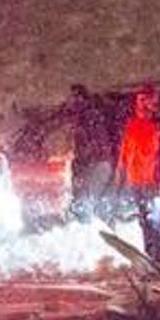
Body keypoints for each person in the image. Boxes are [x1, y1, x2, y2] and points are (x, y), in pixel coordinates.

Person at [115, 83, 160, 271]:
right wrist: (120, 176)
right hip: (136, 181)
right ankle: (151, 258)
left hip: (153, 183)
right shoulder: (132, 125)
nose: (142, 105)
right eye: (140, 100)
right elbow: (124, 154)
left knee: (157, 221)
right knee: (145, 221)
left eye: (146, 100)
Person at [65, 84, 116, 220]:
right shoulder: (81, 117)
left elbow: (92, 142)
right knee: (87, 198)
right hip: (94, 162)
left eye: (76, 97)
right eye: (72, 97)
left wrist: (85, 158)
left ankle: (96, 225)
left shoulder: (88, 117)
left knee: (89, 198)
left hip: (97, 163)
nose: (73, 101)